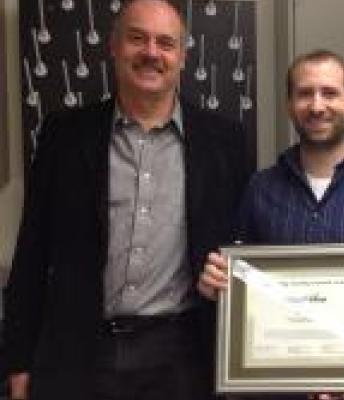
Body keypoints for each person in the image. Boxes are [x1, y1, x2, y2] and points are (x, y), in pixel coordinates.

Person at [3, 0, 250, 399]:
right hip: (79, 352)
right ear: (114, 47)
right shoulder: (63, 136)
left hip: (184, 357)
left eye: (165, 43)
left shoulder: (226, 142)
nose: (151, 52)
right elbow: (32, 250)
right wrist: (17, 361)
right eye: (137, 38)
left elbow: (244, 245)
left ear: (183, 57)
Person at [198, 49, 344, 400]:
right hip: (278, 389)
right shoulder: (260, 190)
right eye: (305, 93)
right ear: (290, 105)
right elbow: (240, 279)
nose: (317, 106)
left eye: (330, 93)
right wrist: (219, 284)